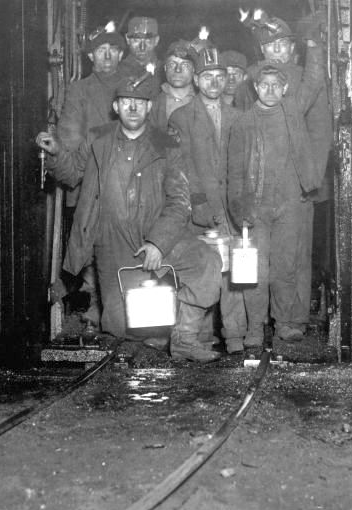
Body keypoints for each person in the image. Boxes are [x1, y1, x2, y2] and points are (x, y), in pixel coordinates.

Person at [37, 74, 222, 363]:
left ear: (149, 107)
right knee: (120, 329)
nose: (133, 108)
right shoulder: (98, 139)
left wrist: (158, 244)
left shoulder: (167, 144)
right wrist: (56, 153)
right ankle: (152, 338)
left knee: (206, 262)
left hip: (156, 234)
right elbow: (72, 174)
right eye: (127, 102)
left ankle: (184, 338)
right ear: (116, 106)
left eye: (140, 103)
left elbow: (179, 202)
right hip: (111, 242)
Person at [227, 35, 325, 346]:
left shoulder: (293, 112)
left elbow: (313, 80)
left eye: (276, 85)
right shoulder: (242, 124)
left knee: (286, 267)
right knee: (256, 271)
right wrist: (240, 210)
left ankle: (284, 323)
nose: (270, 90)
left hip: (290, 204)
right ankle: (255, 328)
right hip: (256, 207)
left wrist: (313, 45)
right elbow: (234, 175)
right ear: (255, 87)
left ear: (284, 88)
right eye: (263, 84)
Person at [45, 21, 128, 331]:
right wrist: (68, 155)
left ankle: (117, 306)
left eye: (113, 50)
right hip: (88, 176)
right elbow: (69, 134)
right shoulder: (80, 90)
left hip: (124, 179)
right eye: (100, 50)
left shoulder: (133, 85)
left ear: (121, 54)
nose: (106, 56)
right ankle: (96, 302)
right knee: (91, 244)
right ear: (91, 56)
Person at [168, 46, 244, 351]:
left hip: (232, 205)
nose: (214, 82)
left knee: (235, 270)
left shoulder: (239, 116)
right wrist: (198, 204)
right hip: (198, 209)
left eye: (220, 76)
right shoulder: (180, 117)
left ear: (226, 80)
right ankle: (196, 335)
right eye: (207, 76)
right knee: (206, 268)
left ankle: (235, 334)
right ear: (197, 80)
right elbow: (175, 166)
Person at [149, 40, 196, 131]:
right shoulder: (152, 106)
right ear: (165, 68)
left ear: (193, 69)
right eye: (172, 64)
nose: (178, 69)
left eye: (185, 65)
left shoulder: (204, 102)